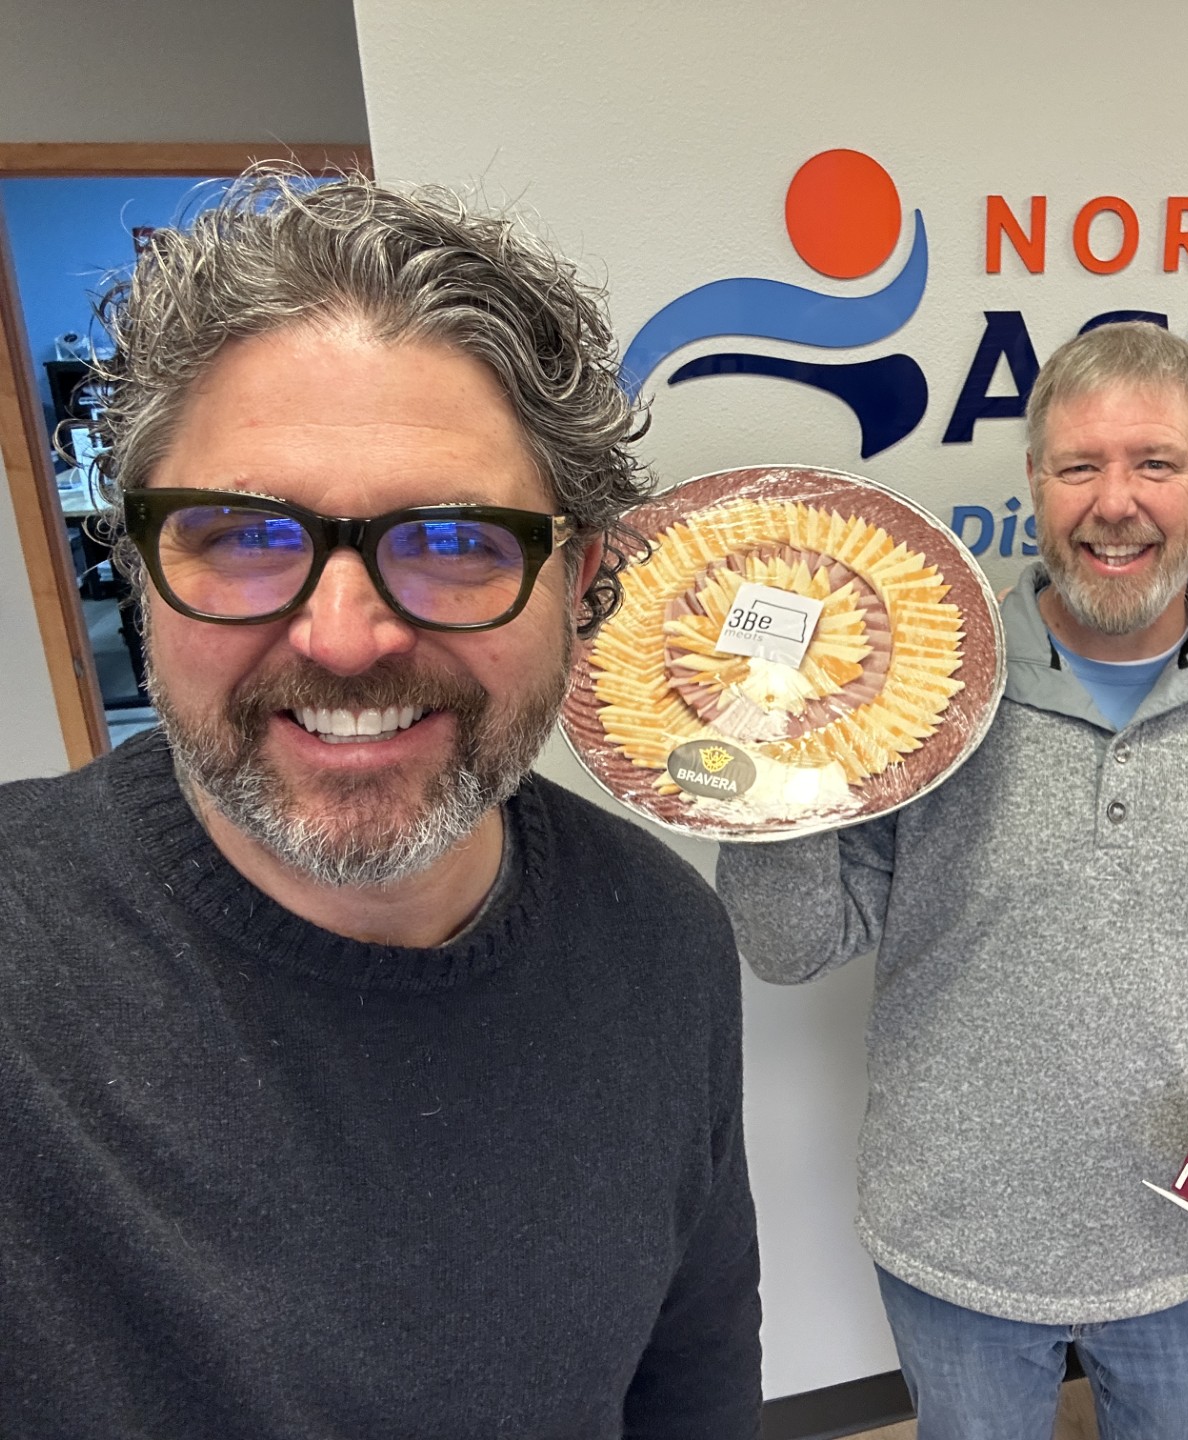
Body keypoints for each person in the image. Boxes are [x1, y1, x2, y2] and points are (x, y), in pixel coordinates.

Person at [0, 171, 760, 1438]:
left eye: (455, 542)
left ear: (581, 586)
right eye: (243, 534)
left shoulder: (662, 938)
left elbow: (692, 1385)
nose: (343, 638)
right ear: (138, 573)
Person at [716, 321, 1188, 1439]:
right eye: (1080, 465)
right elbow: (792, 946)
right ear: (1035, 480)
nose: (1113, 502)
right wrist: (770, 760)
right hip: (956, 1242)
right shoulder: (924, 686)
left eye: (1154, 464)